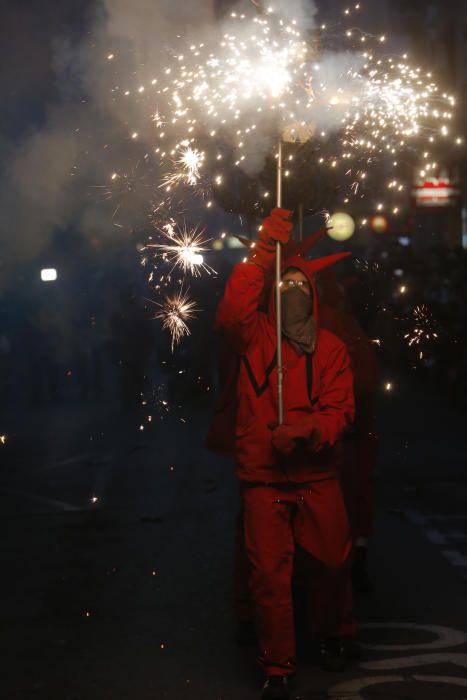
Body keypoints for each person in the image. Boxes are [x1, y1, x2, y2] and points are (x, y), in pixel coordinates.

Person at [213, 208, 355, 700]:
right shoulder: (253, 338)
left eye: (301, 286)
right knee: (270, 576)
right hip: (265, 479)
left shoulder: (332, 348)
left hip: (316, 473)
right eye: (283, 287)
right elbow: (233, 311)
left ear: (313, 296)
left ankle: (334, 631)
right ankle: (278, 666)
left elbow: (342, 411)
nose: (292, 293)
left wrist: (306, 431)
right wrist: (261, 253)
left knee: (333, 561)